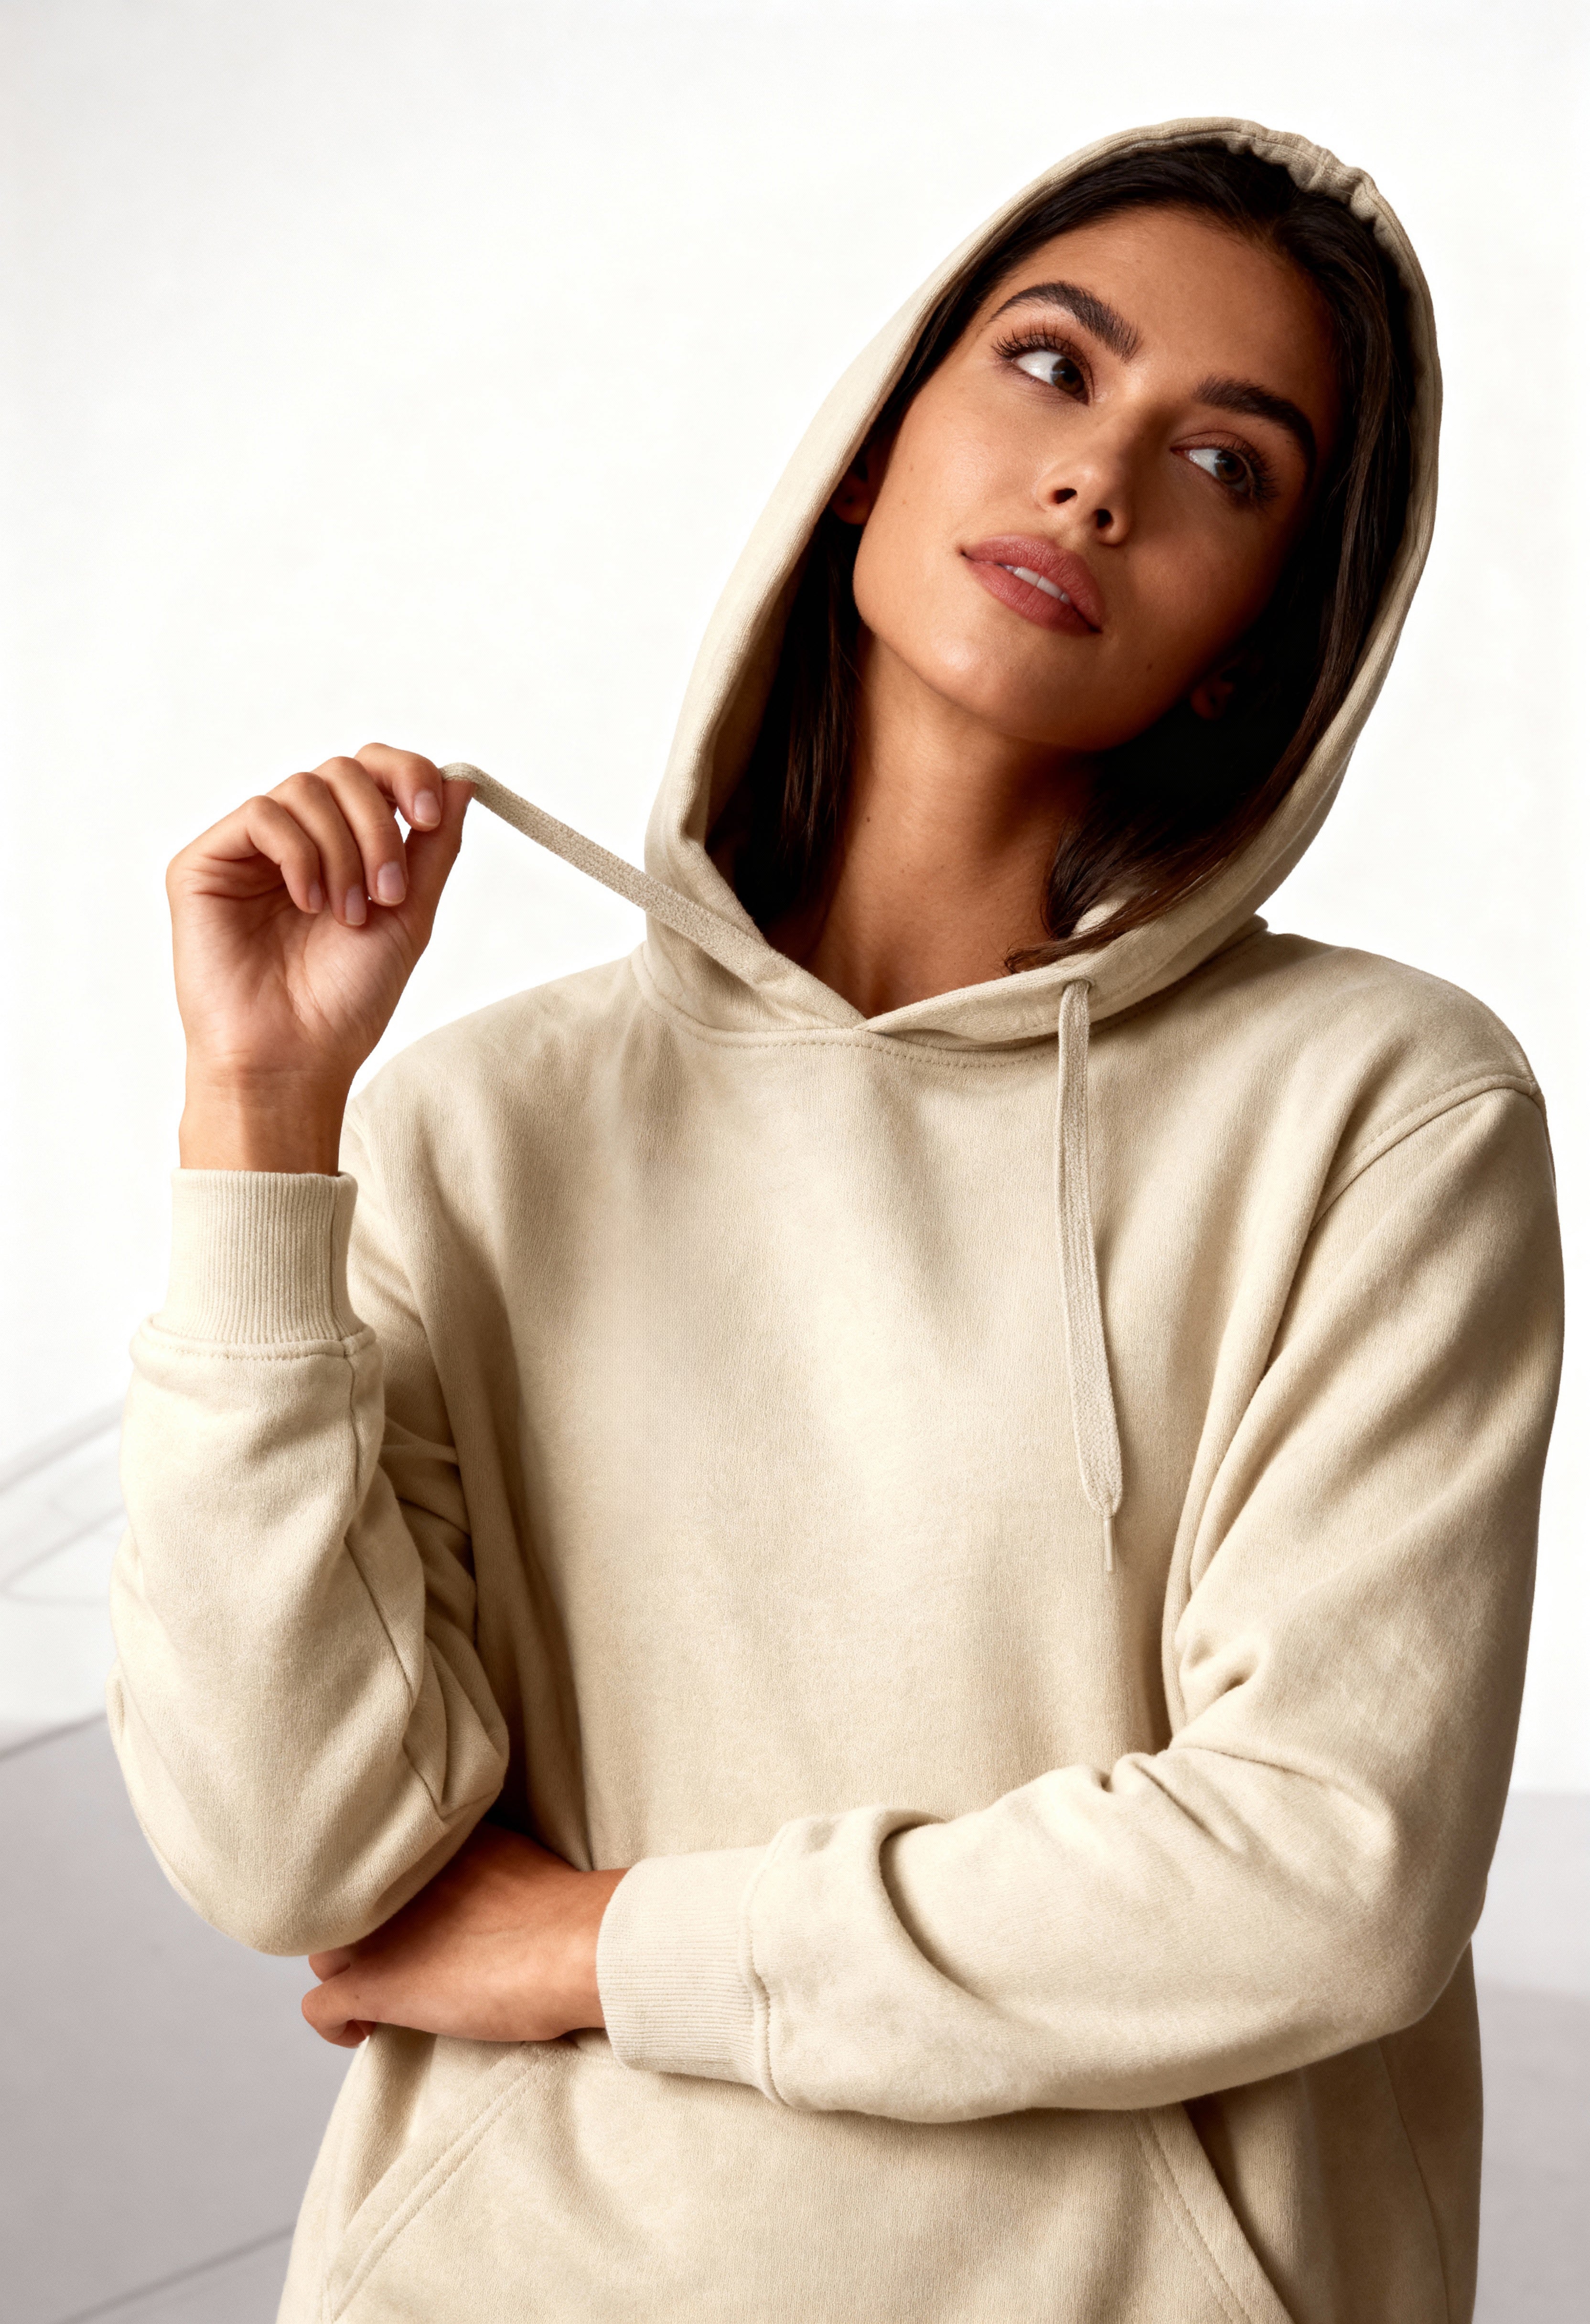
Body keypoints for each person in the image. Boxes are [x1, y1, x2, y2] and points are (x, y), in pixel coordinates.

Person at [111, 119, 1562, 2324]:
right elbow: (293, 1847)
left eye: (1227, 468)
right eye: (1054, 368)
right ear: (871, 454)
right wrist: (258, 1125)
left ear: (1247, 658)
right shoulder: (476, 1123)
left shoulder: (1375, 1111)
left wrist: (598, 1947)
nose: (1099, 481)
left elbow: (1321, 1873)